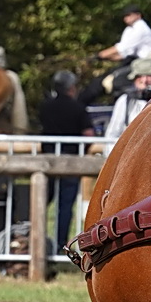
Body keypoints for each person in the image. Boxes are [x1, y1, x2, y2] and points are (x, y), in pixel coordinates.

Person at [39, 70, 94, 247]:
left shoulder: (45, 107)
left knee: (41, 202)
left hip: (47, 162)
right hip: (71, 162)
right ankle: (60, 244)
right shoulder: (78, 108)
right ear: (71, 88)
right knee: (65, 206)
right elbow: (88, 134)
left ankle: (35, 241)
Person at [104, 58, 151, 141]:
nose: (144, 80)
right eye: (139, 76)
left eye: (149, 75)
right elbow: (112, 135)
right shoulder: (125, 100)